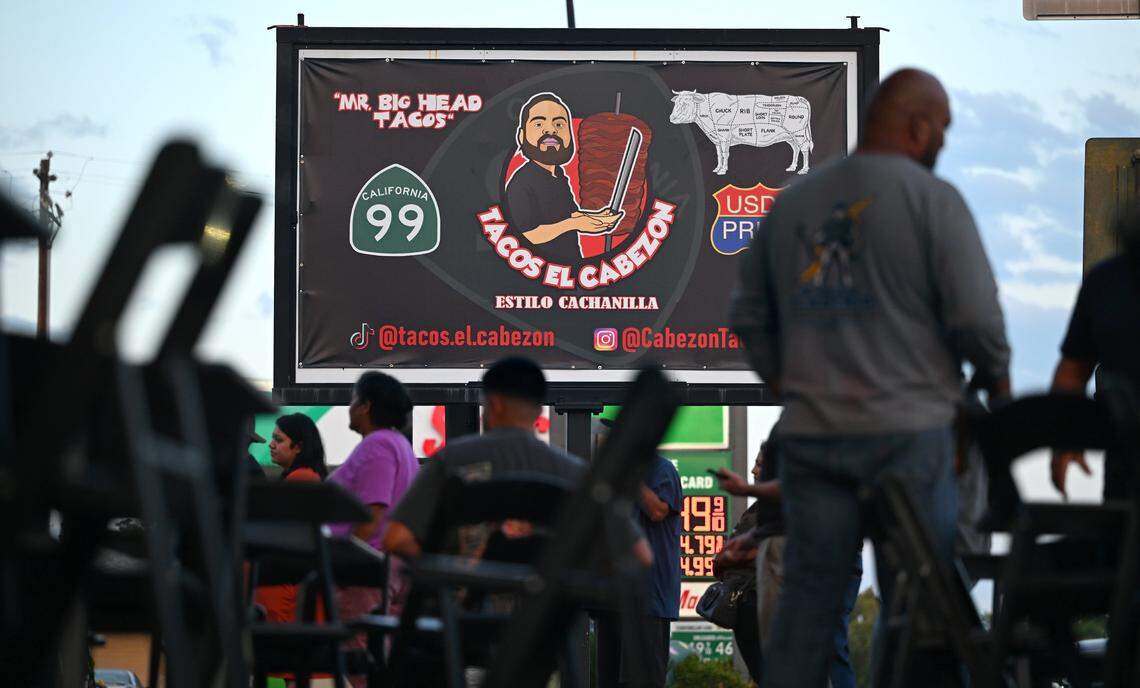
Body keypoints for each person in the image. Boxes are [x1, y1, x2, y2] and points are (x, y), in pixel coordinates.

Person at [730, 68, 1011, 687]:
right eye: (942, 128)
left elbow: (747, 316)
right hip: (911, 435)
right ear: (917, 126)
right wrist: (999, 387)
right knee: (918, 604)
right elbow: (977, 319)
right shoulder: (933, 200)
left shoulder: (795, 202)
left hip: (815, 437)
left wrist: (793, 388)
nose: (943, 142)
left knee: (808, 602)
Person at [384, 357, 651, 566]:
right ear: (538, 409)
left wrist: (450, 572)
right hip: (546, 618)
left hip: (460, 615)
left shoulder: (452, 459)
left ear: (495, 404)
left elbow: (396, 539)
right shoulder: (576, 474)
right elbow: (640, 555)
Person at [715, 437, 860, 688]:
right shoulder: (762, 509)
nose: (754, 471)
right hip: (752, 601)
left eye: (761, 464)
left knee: (830, 649)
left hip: (795, 585)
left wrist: (743, 552)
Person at [329, 372, 419, 688]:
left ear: (366, 406)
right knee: (382, 659)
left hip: (368, 573)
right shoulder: (400, 445)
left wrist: (347, 561)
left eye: (353, 400)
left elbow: (373, 511)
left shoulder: (377, 444)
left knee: (359, 659)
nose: (349, 407)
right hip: (392, 569)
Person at [1049, 205, 1140, 501]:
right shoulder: (1104, 283)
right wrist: (1064, 437)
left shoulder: (1105, 281)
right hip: (1125, 466)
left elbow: (1072, 372)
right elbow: (1073, 373)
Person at [593, 417, 681, 688]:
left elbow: (658, 511)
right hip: (609, 596)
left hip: (647, 597)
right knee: (608, 679)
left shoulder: (661, 469)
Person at [505, 92, 622, 260]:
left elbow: (570, 214)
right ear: (521, 136)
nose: (550, 129)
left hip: (571, 267)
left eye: (559, 124)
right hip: (540, 269)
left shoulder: (558, 174)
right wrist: (574, 224)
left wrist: (598, 218)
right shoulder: (522, 182)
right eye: (538, 124)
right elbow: (524, 234)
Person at [255, 414, 330, 625]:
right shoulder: (305, 476)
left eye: (278, 440)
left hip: (281, 588)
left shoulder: (302, 478)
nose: (271, 444)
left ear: (298, 447)